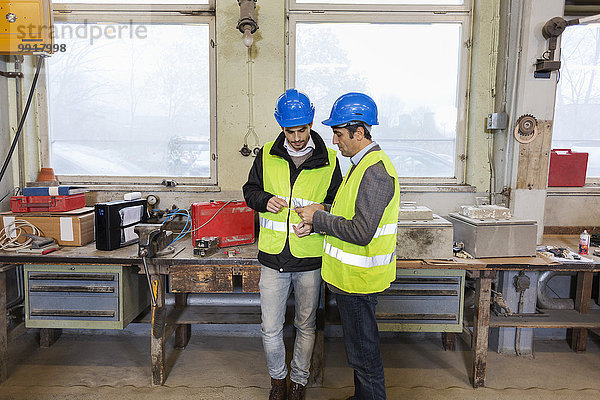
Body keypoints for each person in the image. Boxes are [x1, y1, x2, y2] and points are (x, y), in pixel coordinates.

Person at [295, 92, 400, 400]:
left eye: (339, 134)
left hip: (359, 281)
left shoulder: (376, 172)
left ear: (359, 132)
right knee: (358, 352)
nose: (334, 140)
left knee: (365, 355)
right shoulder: (361, 164)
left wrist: (318, 219)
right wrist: (321, 213)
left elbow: (361, 231)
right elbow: (349, 213)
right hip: (349, 279)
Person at [243, 88, 342, 400]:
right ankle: (278, 382)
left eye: (302, 129)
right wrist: (264, 200)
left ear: (311, 124)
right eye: (290, 130)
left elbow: (337, 204)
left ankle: (298, 383)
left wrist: (317, 217)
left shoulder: (329, 160)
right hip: (272, 258)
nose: (297, 137)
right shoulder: (266, 154)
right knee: (270, 328)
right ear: (280, 126)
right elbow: (250, 190)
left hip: (310, 257)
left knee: (306, 325)